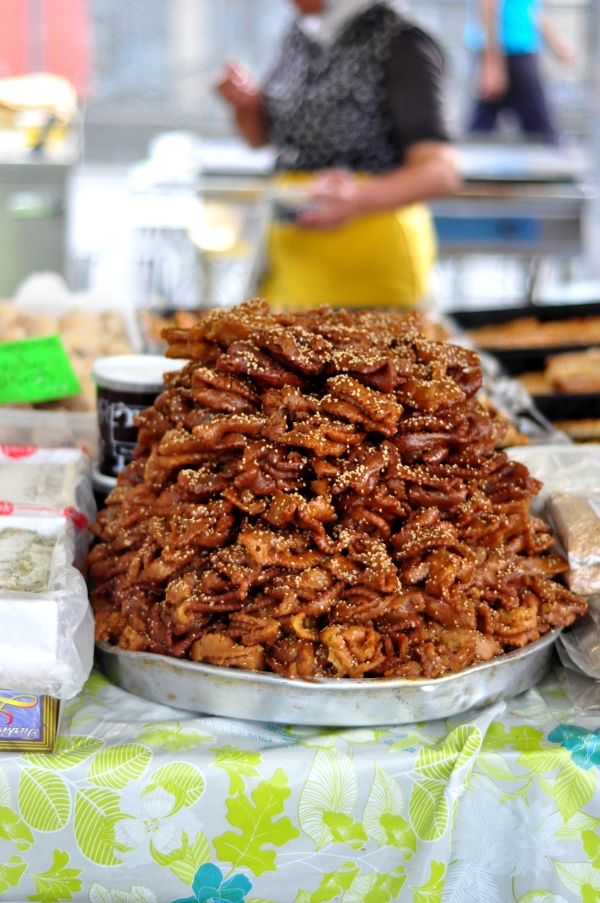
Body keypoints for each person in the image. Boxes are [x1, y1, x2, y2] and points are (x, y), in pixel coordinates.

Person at [217, 0, 459, 311]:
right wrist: (247, 105)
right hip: (294, 262)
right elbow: (260, 138)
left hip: (367, 265)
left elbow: (442, 170)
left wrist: (359, 196)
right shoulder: (300, 34)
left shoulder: (401, 41)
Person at [465, 0, 573, 143]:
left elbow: (531, 9)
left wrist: (555, 43)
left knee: (481, 129)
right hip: (506, 53)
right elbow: (487, 4)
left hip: (520, 50)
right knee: (543, 131)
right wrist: (492, 64)